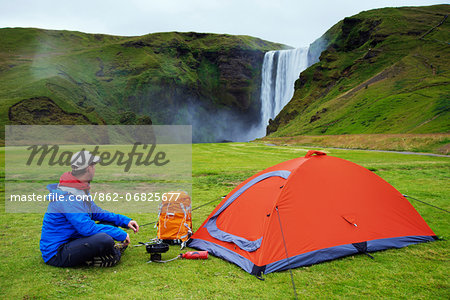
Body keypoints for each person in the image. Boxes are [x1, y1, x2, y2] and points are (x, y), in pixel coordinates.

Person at [40, 150, 139, 267]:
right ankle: (110, 255)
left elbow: (96, 212)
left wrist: (124, 221)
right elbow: (86, 229)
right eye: (93, 165)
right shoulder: (68, 196)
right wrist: (120, 234)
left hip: (73, 239)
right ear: (89, 168)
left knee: (110, 224)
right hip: (57, 253)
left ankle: (106, 254)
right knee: (105, 239)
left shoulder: (78, 188)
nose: (94, 169)